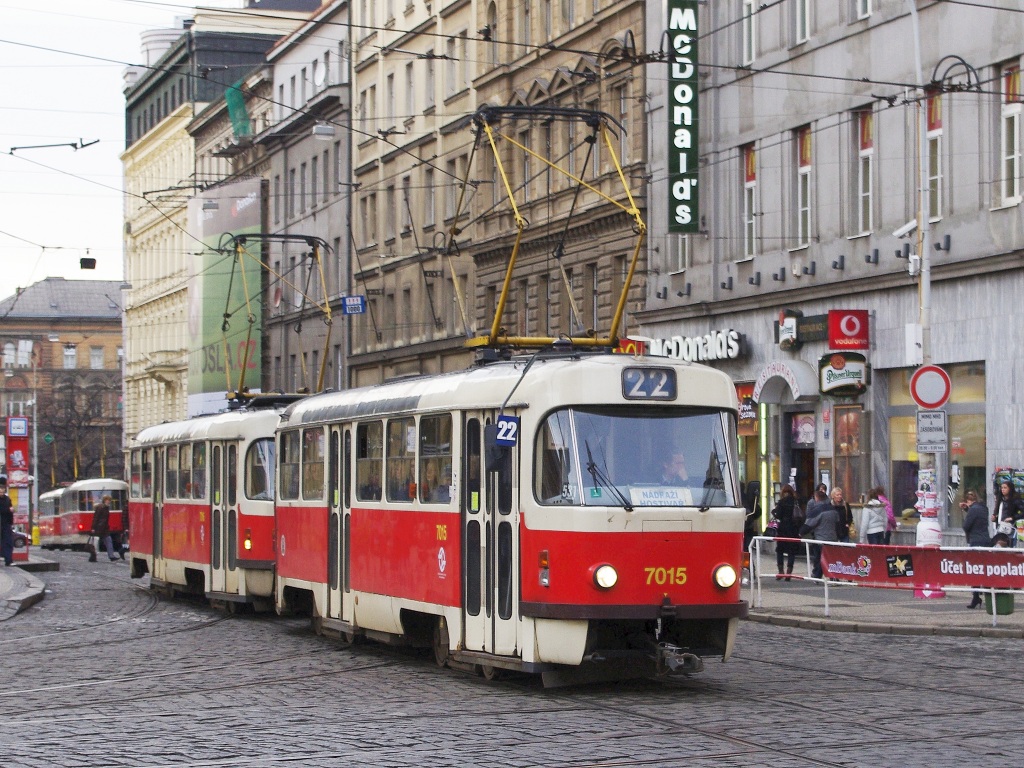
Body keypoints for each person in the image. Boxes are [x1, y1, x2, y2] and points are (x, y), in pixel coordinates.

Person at [961, 490, 990, 609]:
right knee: (984, 568)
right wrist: (968, 509)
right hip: (985, 540)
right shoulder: (983, 508)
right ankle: (986, 594)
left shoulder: (973, 509)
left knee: (974, 569)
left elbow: (966, 525)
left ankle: (976, 596)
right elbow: (978, 518)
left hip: (975, 541)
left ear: (968, 501)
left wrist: (966, 511)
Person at [802, 489, 839, 579]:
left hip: (820, 539)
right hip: (832, 539)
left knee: (819, 559)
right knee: (831, 559)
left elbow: (809, 524)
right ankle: (834, 577)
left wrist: (801, 532)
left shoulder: (816, 511)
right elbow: (838, 523)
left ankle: (817, 576)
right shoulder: (833, 510)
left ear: (817, 498)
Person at [771, 484, 802, 581]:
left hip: (783, 528)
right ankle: (789, 572)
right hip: (793, 528)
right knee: (791, 551)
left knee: (780, 550)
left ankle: (781, 571)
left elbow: (778, 514)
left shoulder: (782, 502)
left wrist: (774, 512)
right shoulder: (796, 502)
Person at [991, 480, 1024, 548]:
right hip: (999, 528)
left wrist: (1012, 518)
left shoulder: (1015, 500)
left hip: (1010, 528)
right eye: (1002, 488)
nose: (1003, 490)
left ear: (1010, 488)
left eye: (1005, 488)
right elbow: (999, 513)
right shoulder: (1000, 500)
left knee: (1009, 546)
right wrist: (995, 518)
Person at [87, 495, 118, 563]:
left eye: (109, 500)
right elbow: (96, 518)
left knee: (108, 541)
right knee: (95, 544)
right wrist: (93, 528)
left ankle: (111, 556)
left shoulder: (105, 508)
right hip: (99, 528)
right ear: (104, 500)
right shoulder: (101, 507)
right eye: (108, 500)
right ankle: (93, 557)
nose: (109, 501)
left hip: (104, 528)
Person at [742, 480, 761, 552]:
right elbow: (757, 512)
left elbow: (756, 512)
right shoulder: (746, 498)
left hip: (746, 529)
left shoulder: (744, 499)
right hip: (747, 529)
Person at [0, 482, 13, 567]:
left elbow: (10, 510)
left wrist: (10, 522)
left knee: (8, 542)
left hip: (6, 523)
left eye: (2, 491)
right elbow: (5, 510)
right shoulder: (7, 500)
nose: (1, 493)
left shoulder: (7, 499)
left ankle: (8, 560)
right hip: (3, 522)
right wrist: (9, 510)